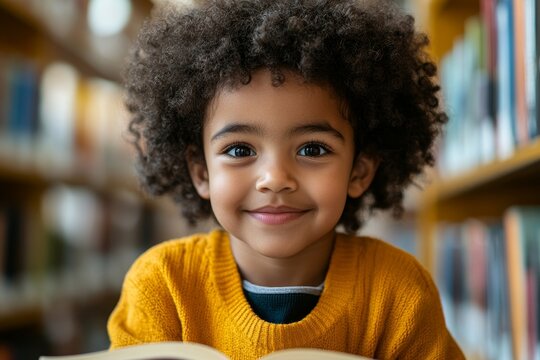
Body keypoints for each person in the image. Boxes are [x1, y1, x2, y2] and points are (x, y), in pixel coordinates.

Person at [107, 0, 464, 358]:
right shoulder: (163, 285)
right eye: (238, 150)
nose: (275, 179)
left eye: (312, 150)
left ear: (359, 171)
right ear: (201, 172)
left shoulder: (398, 291)